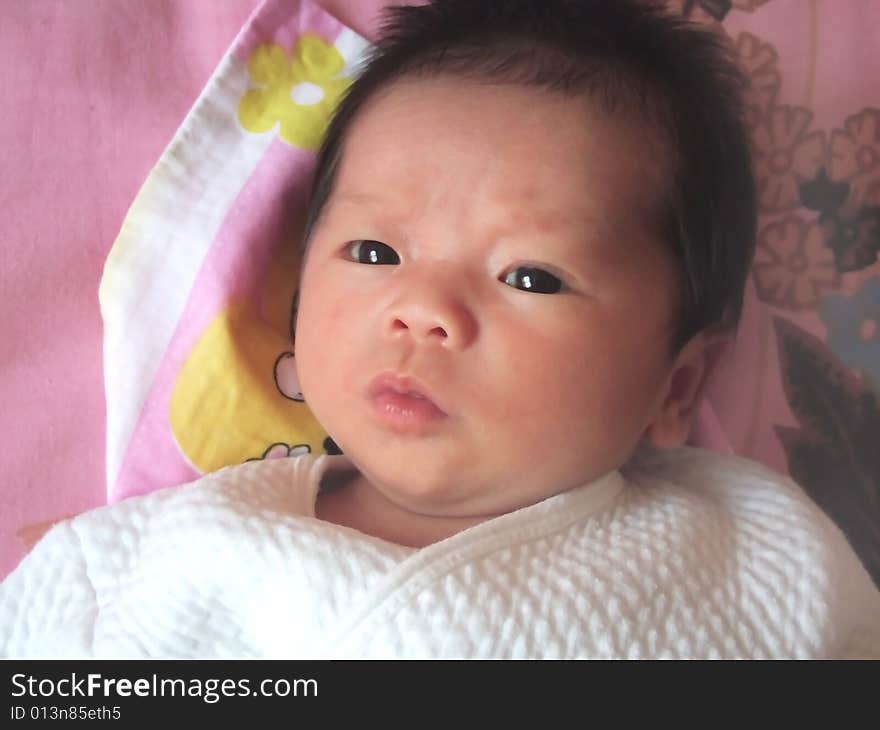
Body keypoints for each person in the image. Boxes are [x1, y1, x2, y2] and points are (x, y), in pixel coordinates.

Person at [2, 0, 878, 659]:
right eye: (376, 251)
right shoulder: (162, 555)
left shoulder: (755, 556)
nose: (423, 310)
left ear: (678, 385)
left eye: (530, 276)